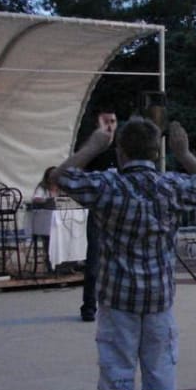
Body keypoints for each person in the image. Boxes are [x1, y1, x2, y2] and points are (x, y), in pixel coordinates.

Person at [51, 117, 196, 390]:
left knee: (118, 366)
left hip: (118, 297)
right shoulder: (171, 186)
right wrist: (184, 154)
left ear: (121, 151)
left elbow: (60, 178)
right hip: (159, 298)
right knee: (161, 366)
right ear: (156, 152)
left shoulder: (107, 185)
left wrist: (93, 146)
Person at [79, 106, 119, 322]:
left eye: (113, 121)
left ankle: (116, 305)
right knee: (94, 260)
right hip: (99, 211)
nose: (110, 126)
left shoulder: (122, 147)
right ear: (97, 124)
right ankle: (89, 306)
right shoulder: (91, 149)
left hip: (120, 212)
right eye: (106, 121)